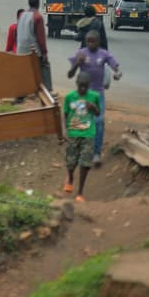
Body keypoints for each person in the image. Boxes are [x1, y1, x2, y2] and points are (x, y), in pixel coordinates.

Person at [67, 30, 121, 167]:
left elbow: (116, 67)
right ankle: (81, 151)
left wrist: (118, 74)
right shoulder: (81, 53)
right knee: (81, 121)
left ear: (98, 42)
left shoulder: (104, 54)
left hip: (98, 94)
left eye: (93, 41)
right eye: (88, 41)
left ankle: (96, 153)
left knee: (99, 122)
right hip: (82, 95)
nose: (90, 44)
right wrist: (77, 64)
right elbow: (70, 74)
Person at [61, 70, 100, 202]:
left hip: (88, 133)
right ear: (76, 83)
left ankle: (80, 192)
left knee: (85, 162)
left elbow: (98, 113)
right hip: (73, 133)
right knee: (71, 162)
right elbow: (65, 114)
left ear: (89, 85)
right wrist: (65, 130)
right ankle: (70, 177)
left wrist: (93, 107)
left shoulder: (94, 96)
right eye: (81, 85)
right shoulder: (69, 97)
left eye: (85, 86)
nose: (83, 88)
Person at [14, 0, 51, 89]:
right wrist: (44, 53)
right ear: (38, 4)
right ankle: (47, 90)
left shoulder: (22, 15)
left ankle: (21, 92)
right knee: (43, 68)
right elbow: (41, 38)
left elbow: (16, 32)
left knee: (23, 73)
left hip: (20, 49)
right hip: (33, 51)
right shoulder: (37, 17)